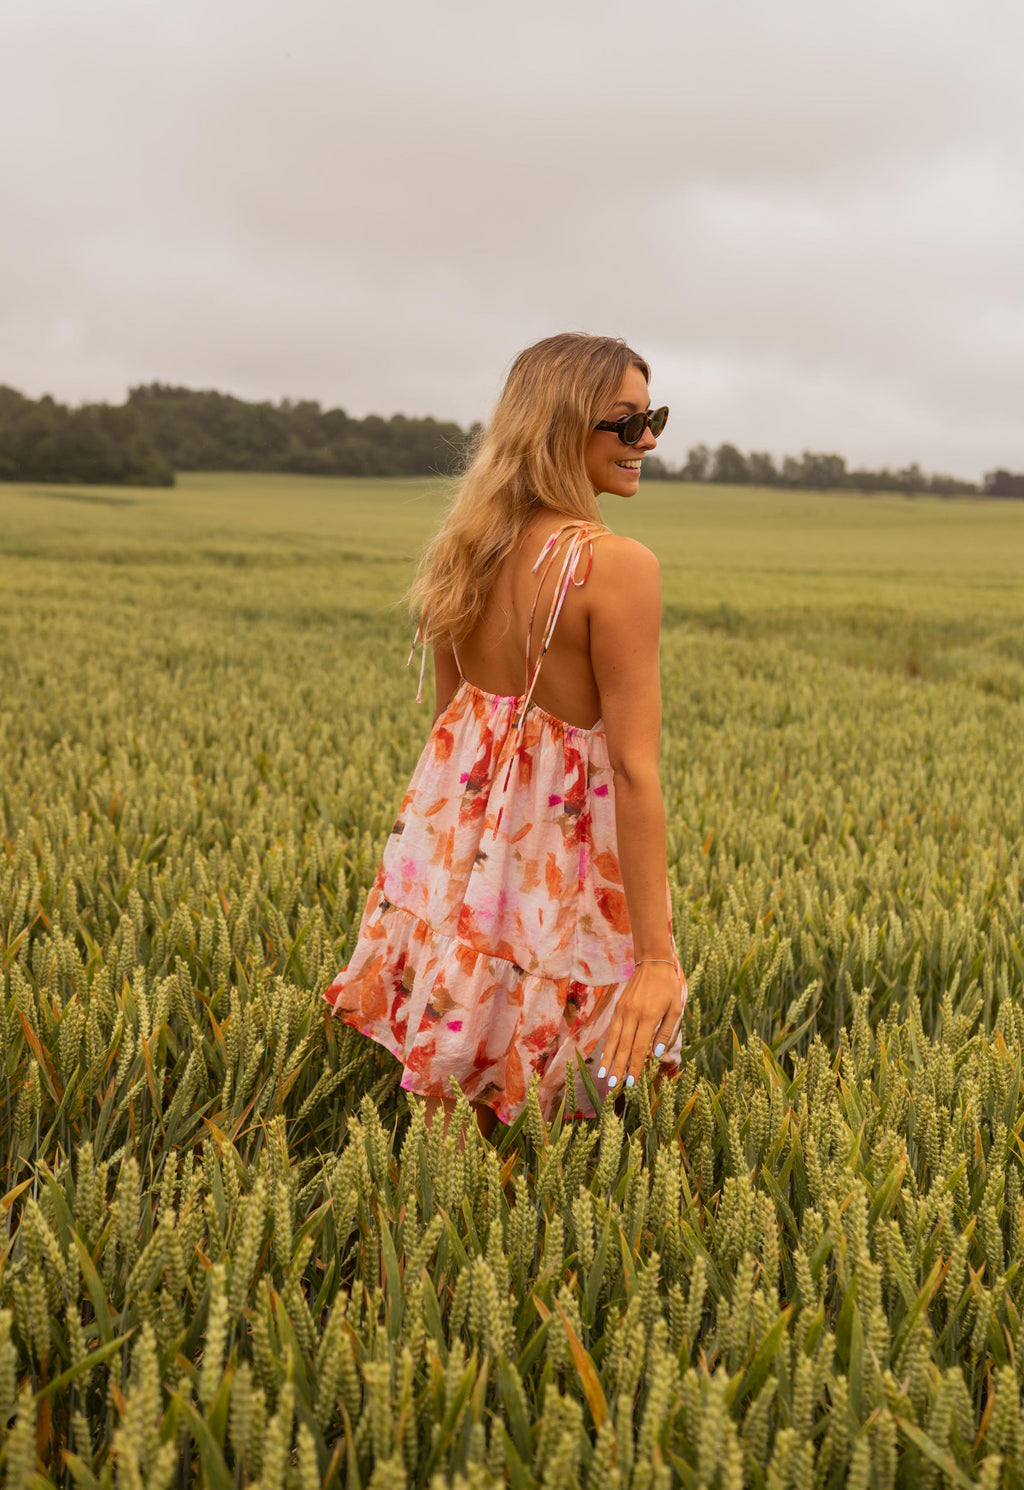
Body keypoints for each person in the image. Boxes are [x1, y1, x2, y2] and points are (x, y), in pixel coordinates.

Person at [324, 332, 687, 1136]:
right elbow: (631, 771)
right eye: (626, 423)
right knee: (583, 1138)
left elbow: (451, 738)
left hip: (465, 882)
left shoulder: (468, 548)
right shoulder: (616, 566)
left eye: (652, 417)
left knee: (466, 1129)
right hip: (563, 886)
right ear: (560, 427)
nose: (650, 441)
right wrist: (657, 964)